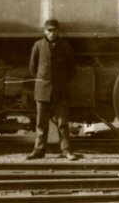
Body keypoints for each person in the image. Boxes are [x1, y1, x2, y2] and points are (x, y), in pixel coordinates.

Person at [26, 19, 80, 161]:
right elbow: (32, 68)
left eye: (54, 30)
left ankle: (66, 151)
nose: (51, 33)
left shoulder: (65, 46)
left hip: (60, 91)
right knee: (41, 123)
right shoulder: (37, 46)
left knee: (62, 123)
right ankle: (38, 151)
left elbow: (72, 69)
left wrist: (60, 82)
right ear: (44, 31)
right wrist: (43, 81)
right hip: (42, 90)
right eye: (49, 30)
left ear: (58, 31)